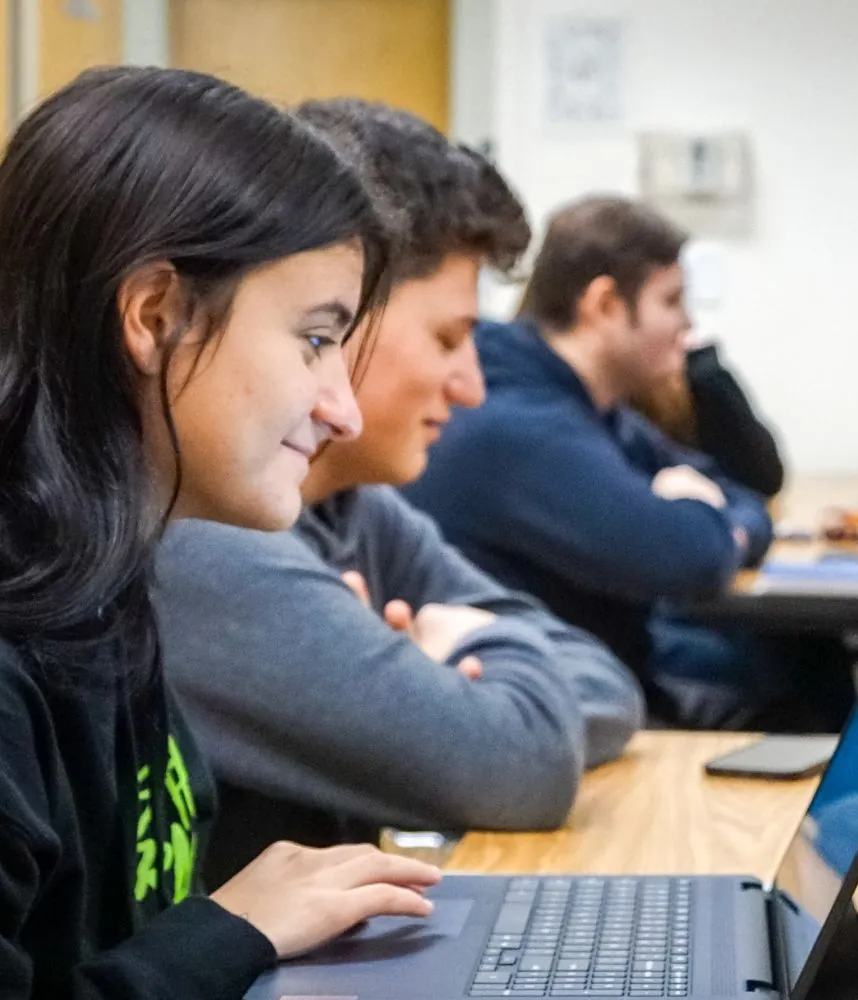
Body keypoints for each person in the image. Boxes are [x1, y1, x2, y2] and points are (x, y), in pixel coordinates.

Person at [0, 67, 444, 999]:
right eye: (316, 340)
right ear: (155, 315)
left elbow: (129, 908)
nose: (343, 413)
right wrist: (230, 932)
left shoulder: (102, 578)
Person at [156, 100, 645, 888]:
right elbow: (521, 762)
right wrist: (453, 697)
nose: (474, 386)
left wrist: (435, 681)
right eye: (449, 339)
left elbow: (601, 683)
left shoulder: (351, 505)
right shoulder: (196, 538)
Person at [405, 195, 855, 732]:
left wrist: (707, 513)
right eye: (671, 301)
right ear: (605, 305)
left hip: (602, 673)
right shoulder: (523, 425)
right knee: (798, 685)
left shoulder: (584, 402)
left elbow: (739, 495)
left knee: (804, 656)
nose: (688, 324)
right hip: (557, 705)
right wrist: (708, 521)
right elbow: (694, 555)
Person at [629, 335, 786, 498]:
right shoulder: (619, 411)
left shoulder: (699, 380)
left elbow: (767, 478)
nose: (685, 322)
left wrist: (705, 371)